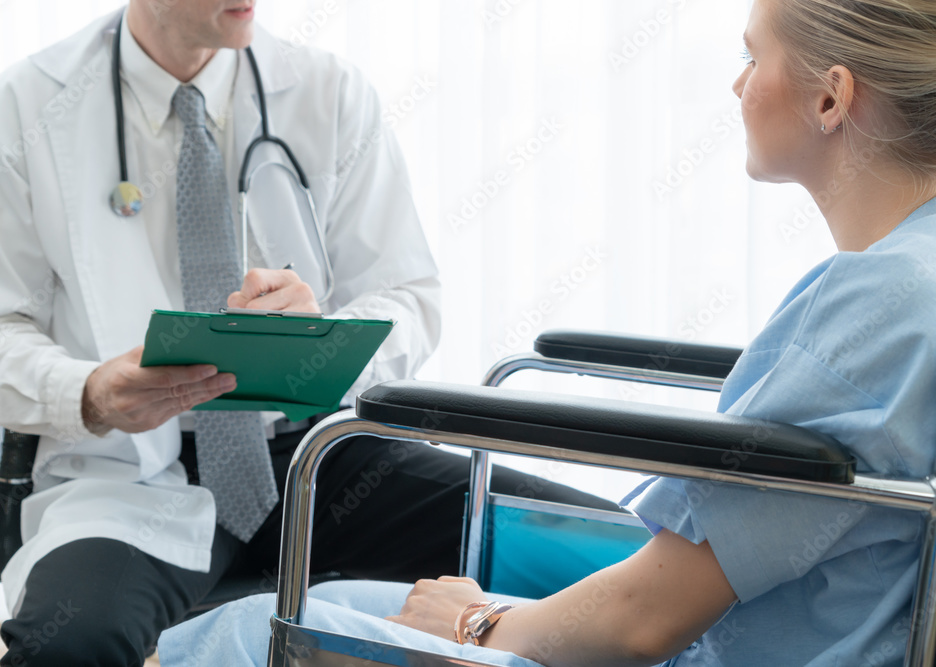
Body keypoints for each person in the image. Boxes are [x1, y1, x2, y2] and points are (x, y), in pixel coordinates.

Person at [156, 0, 936, 665]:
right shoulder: (912, 273)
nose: (737, 84)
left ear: (831, 99)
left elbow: (644, 623)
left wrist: (479, 622)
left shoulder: (878, 301)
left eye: (751, 56)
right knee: (343, 597)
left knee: (247, 629)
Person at [0, 2, 616, 665]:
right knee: (69, 644)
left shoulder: (329, 92)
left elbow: (409, 297)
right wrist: (89, 391)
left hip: (317, 455)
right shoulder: (28, 106)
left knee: (609, 557)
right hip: (129, 473)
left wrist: (325, 337)